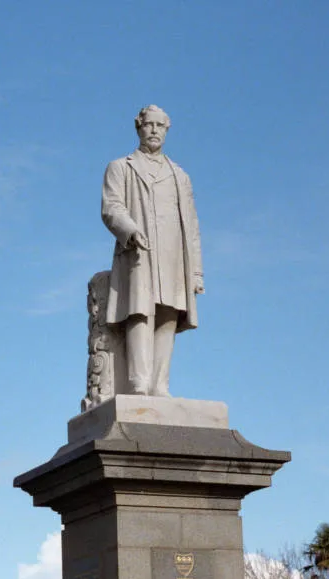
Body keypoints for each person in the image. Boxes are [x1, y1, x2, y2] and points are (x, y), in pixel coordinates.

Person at [101, 105, 204, 396]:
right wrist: (129, 229)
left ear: (167, 130)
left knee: (169, 313)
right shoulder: (121, 167)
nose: (155, 131)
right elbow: (111, 207)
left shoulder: (180, 175)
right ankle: (139, 382)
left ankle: (160, 385)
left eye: (161, 126)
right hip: (138, 251)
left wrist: (196, 270)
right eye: (150, 125)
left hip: (173, 253)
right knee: (140, 312)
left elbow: (192, 225)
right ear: (139, 127)